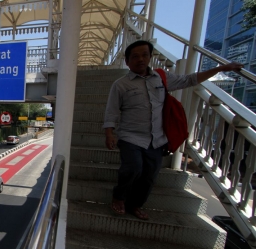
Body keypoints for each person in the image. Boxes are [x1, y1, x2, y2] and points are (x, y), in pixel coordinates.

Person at [103, 40, 243, 221]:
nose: (140, 59)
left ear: (150, 57)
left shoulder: (161, 78)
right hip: (131, 137)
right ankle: (119, 197)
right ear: (127, 61)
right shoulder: (121, 85)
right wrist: (109, 133)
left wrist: (220, 69)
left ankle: (135, 204)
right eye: (135, 56)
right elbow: (112, 110)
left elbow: (189, 79)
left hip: (157, 139)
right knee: (133, 168)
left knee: (149, 176)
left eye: (144, 55)